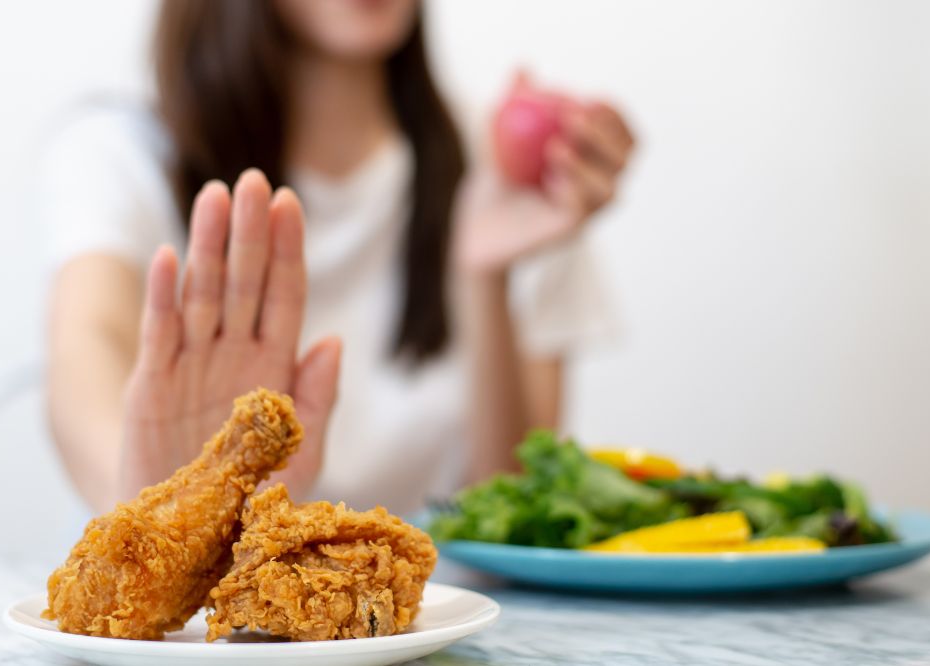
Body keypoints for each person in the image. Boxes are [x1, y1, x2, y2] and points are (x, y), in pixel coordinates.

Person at [42, 0, 635, 516]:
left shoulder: (504, 173)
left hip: (418, 627)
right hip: (198, 633)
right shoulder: (124, 154)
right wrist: (163, 506)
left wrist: (483, 277)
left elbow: (503, 508)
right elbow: (85, 349)